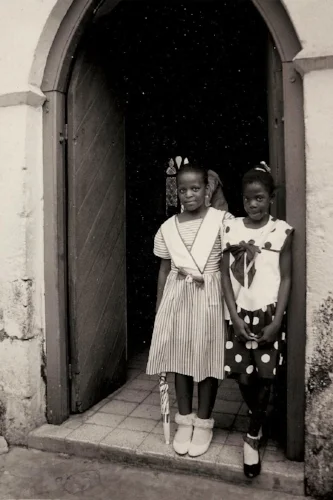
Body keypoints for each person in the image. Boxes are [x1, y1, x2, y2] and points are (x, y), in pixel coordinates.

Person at [146, 161, 233, 457]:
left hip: (209, 295)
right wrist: (160, 307)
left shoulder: (222, 220)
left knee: (208, 358)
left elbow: (230, 267)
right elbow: (164, 268)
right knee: (180, 357)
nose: (188, 195)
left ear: (207, 189)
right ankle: (185, 420)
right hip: (178, 296)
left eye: (195, 188)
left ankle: (204, 421)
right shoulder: (167, 227)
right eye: (182, 189)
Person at [221, 162, 293, 479]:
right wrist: (234, 316)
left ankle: (252, 435)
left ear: (271, 198)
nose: (254, 205)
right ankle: (259, 417)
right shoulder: (231, 229)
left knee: (265, 376)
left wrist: (277, 321)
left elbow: (286, 278)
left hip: (267, 313)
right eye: (248, 199)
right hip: (239, 314)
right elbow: (224, 275)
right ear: (242, 199)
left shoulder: (282, 231)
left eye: (260, 198)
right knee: (244, 375)